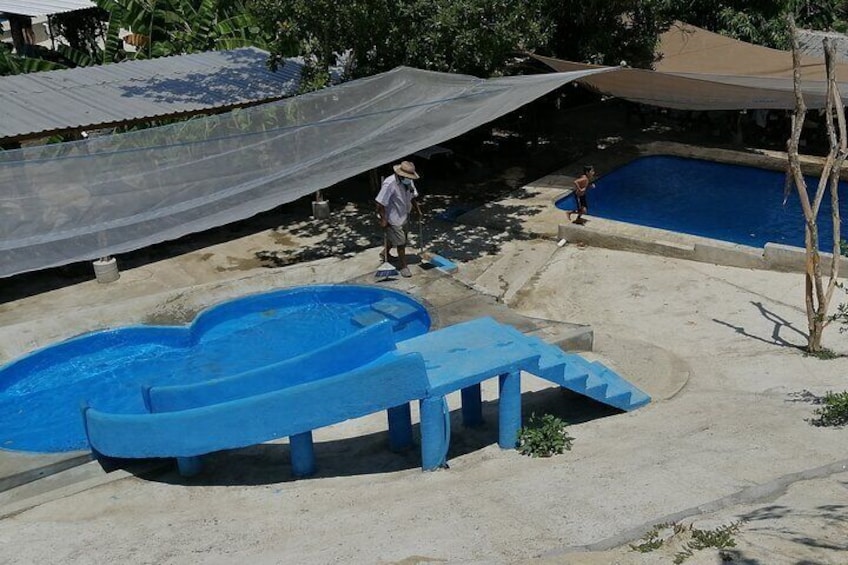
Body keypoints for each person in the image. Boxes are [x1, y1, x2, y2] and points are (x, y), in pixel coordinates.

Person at [375, 160, 422, 277]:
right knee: (401, 243)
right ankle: (404, 267)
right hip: (392, 217)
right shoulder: (389, 184)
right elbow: (379, 204)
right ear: (400, 174)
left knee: (395, 239)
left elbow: (412, 197)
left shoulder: (408, 181)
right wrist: (383, 219)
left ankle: (384, 253)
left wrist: (418, 210)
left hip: (404, 214)